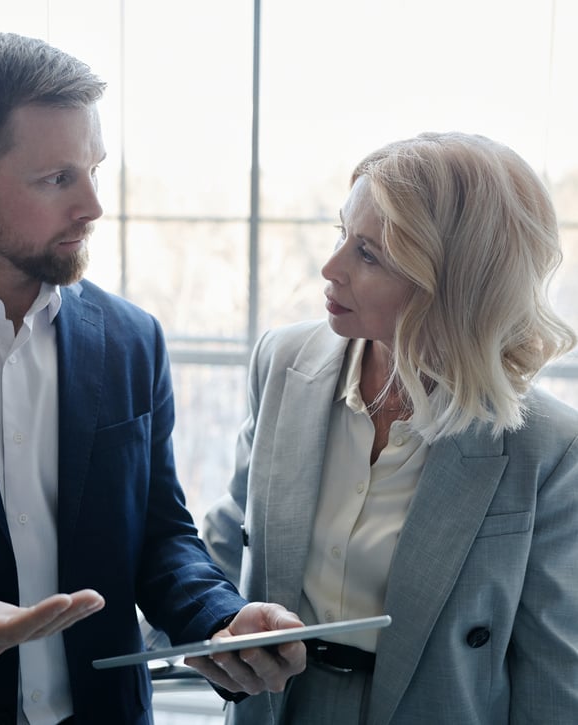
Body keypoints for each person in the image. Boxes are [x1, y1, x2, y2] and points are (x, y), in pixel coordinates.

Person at [0, 32, 306, 725]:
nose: (93, 206)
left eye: (93, 168)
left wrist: (221, 618)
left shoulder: (132, 338)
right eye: (56, 178)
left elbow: (160, 536)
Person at [203, 131, 578, 724]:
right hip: (274, 708)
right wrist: (204, 627)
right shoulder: (282, 361)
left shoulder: (547, 446)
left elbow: (553, 676)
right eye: (341, 236)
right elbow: (229, 539)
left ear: (453, 286)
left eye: (369, 254)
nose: (330, 268)